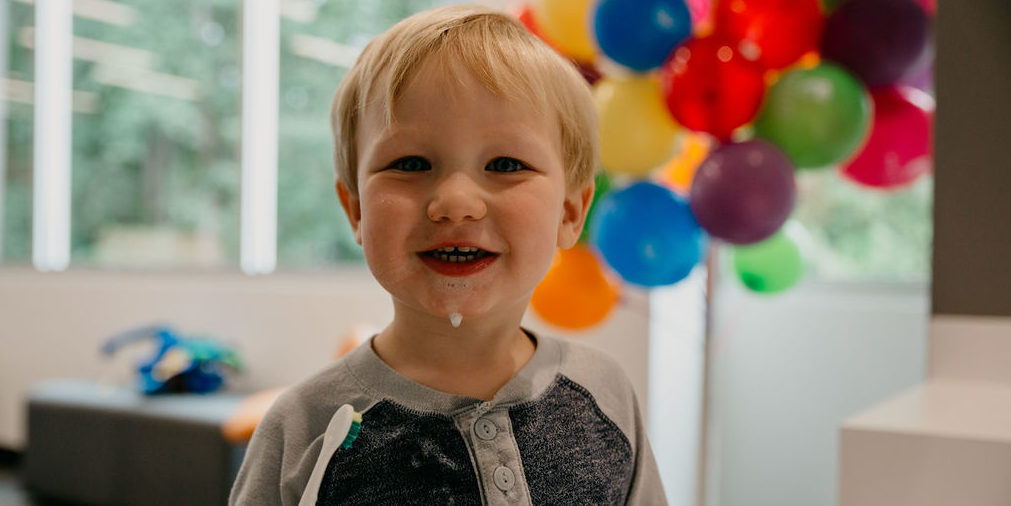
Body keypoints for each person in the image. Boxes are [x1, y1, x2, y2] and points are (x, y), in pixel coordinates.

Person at [229, 5, 667, 505]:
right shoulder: (303, 430)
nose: (456, 202)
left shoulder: (605, 393)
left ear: (570, 212)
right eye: (410, 163)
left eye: (505, 164)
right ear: (355, 209)